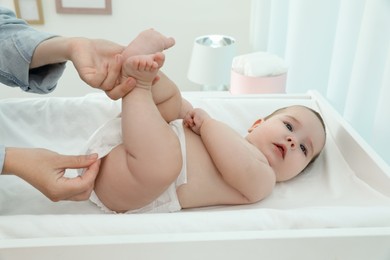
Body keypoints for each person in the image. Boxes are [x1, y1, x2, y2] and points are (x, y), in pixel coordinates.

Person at [82, 52, 327, 213]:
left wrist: (206, 124)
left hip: (134, 184)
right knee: (175, 100)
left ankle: (137, 88)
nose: (293, 140)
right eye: (288, 125)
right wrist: (187, 114)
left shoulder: (264, 180)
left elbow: (239, 167)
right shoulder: (228, 133)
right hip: (130, 141)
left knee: (165, 161)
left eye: (305, 149)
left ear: (297, 173)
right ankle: (133, 75)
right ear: (256, 124)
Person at [0, 6, 175, 202]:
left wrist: (71, 46)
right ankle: (139, 84)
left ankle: (137, 79)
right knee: (161, 159)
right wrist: (8, 160)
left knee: (171, 108)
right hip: (144, 162)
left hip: (148, 150)